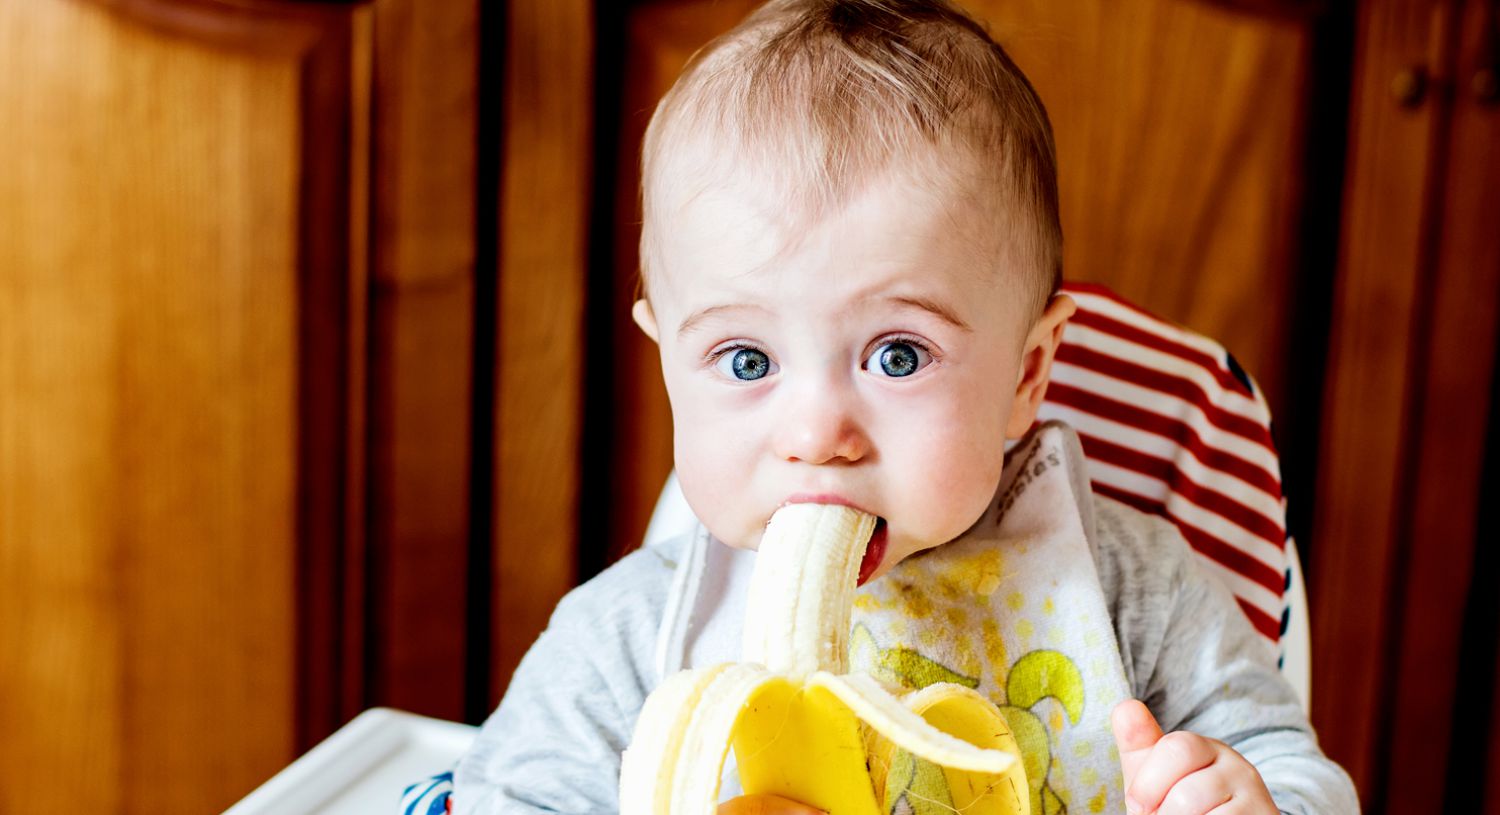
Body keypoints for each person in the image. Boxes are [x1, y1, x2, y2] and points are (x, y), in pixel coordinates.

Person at [454, 1, 1357, 813]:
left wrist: (1246, 798)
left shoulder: (1134, 594)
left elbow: (1294, 767)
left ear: (1027, 373)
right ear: (668, 362)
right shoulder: (628, 641)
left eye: (897, 355)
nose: (816, 435)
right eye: (745, 358)